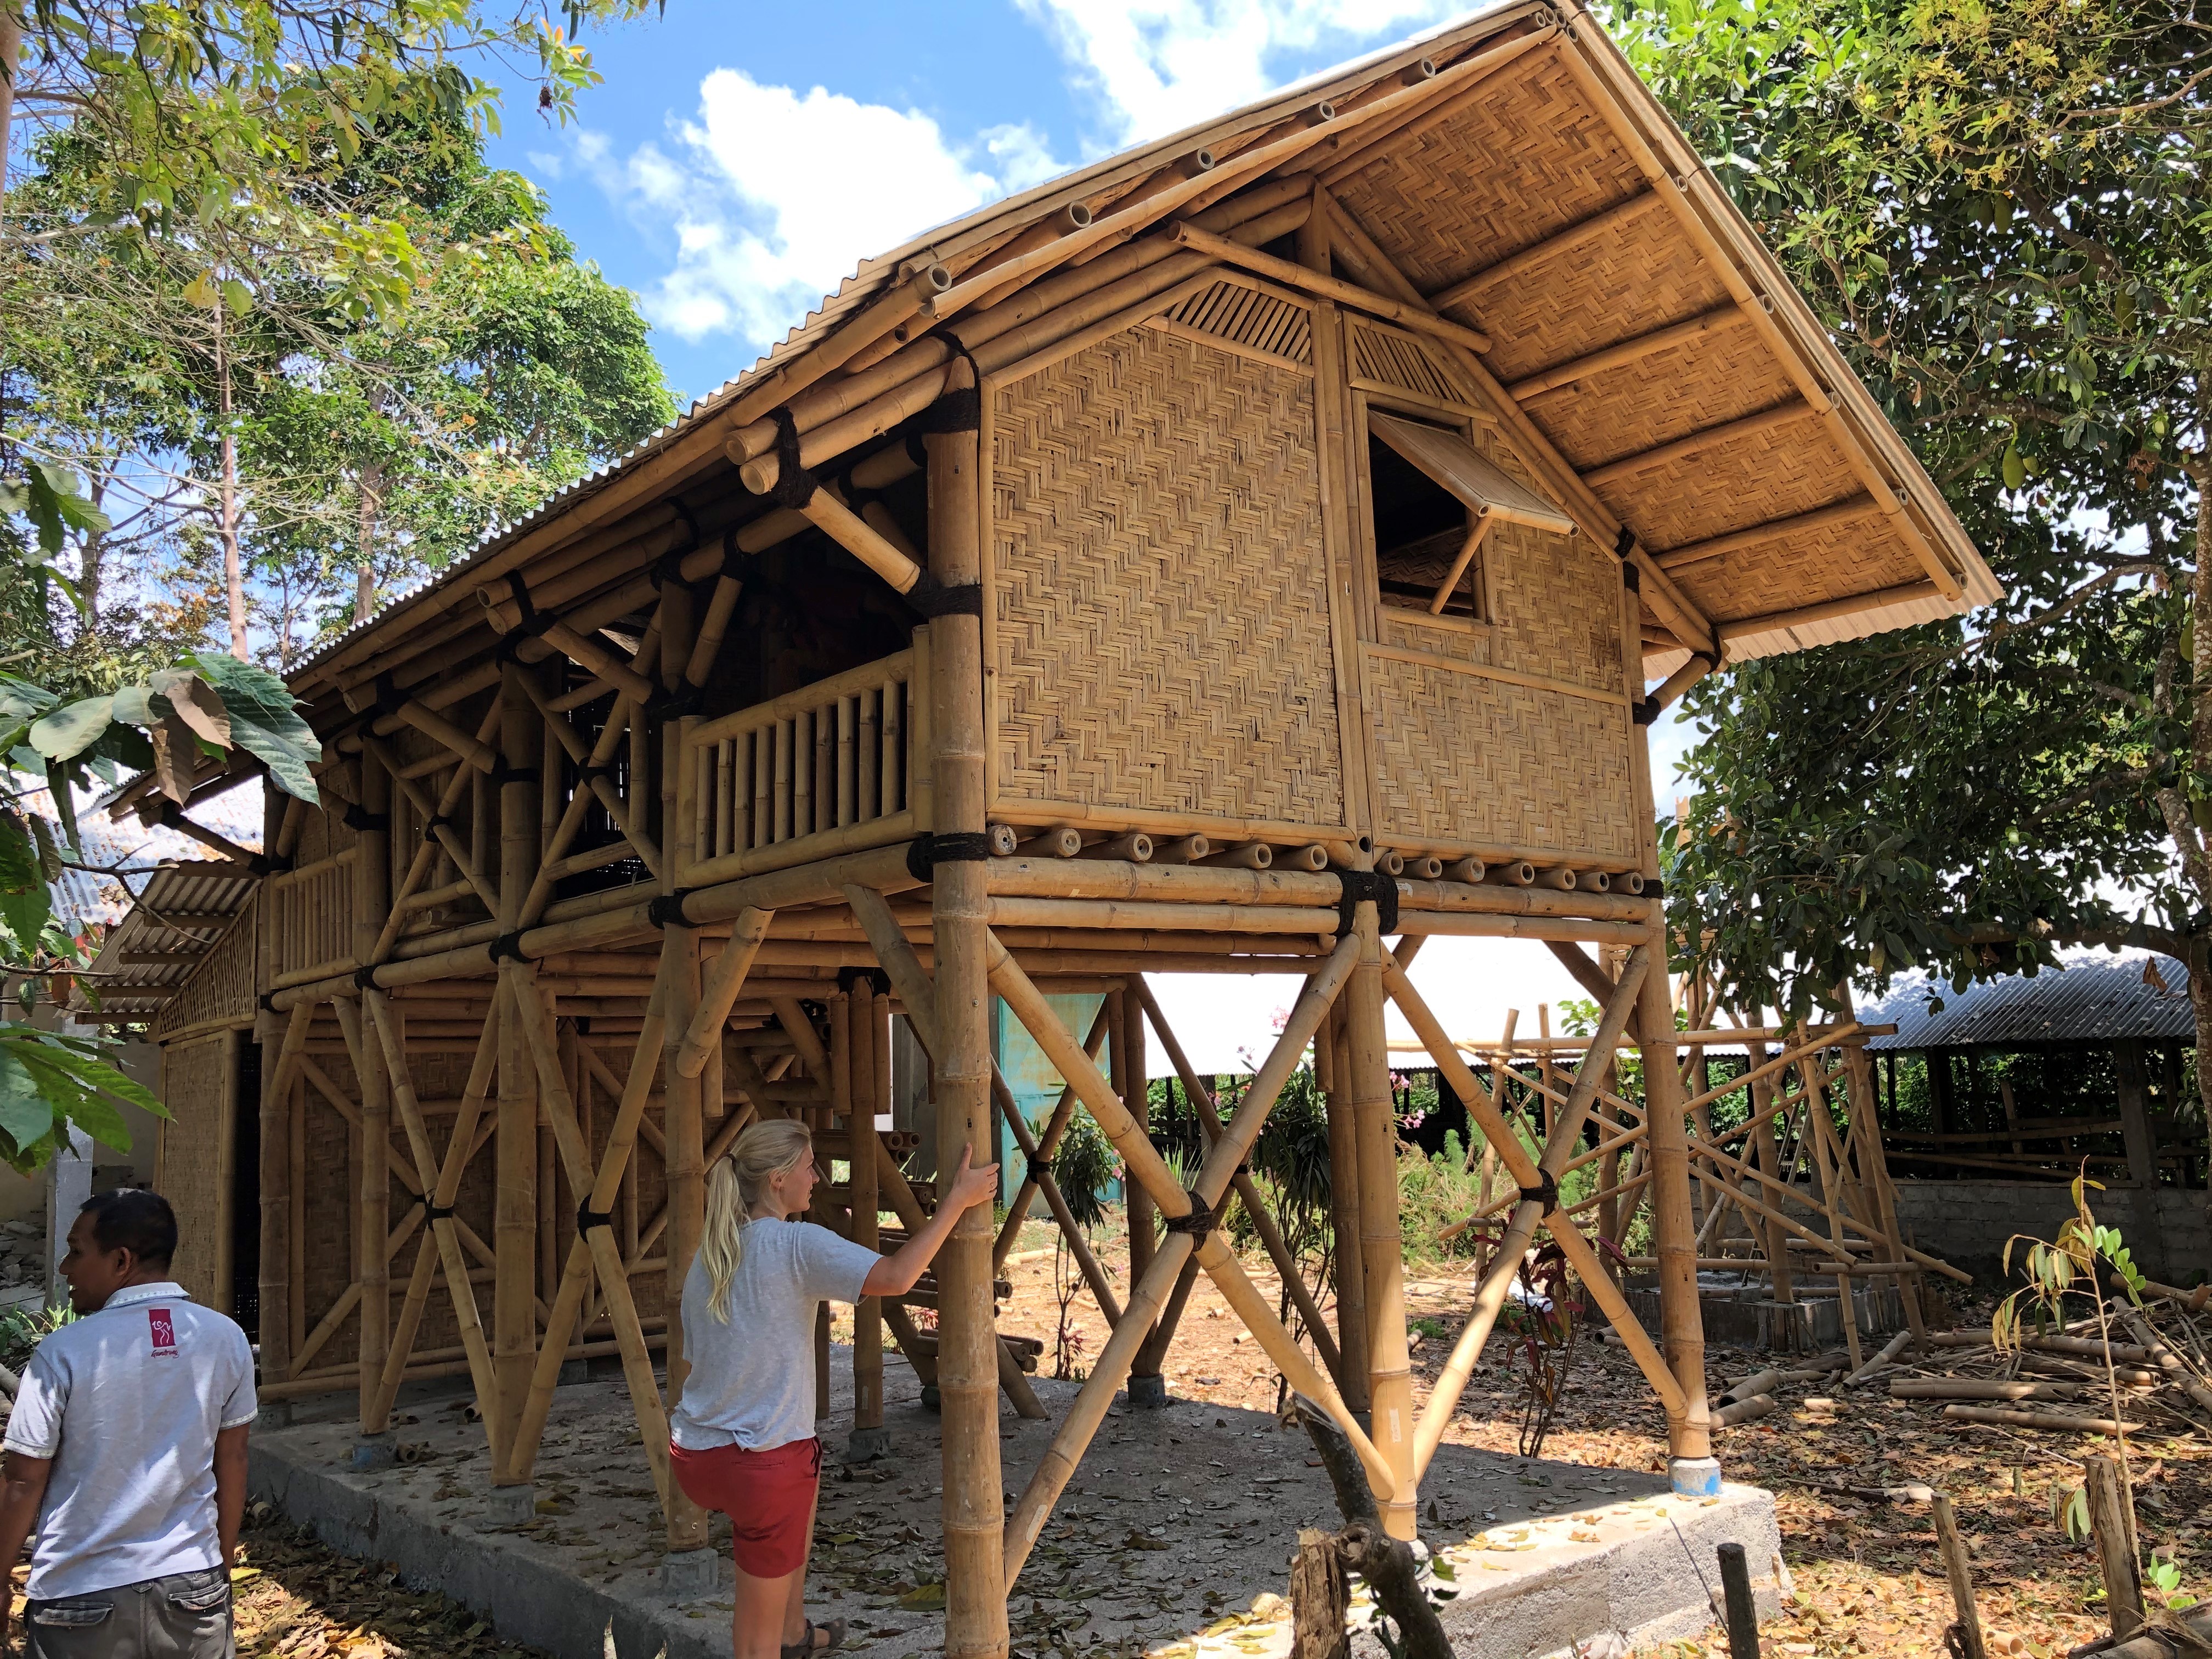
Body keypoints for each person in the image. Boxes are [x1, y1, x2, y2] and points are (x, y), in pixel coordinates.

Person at [670, 1118, 997, 1659]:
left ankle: (794, 1630)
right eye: (808, 1166)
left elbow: (704, 1359)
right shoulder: (795, 1245)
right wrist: (956, 1203)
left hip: (695, 1456)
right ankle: (776, 1638)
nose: (818, 1177)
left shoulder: (710, 1257)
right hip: (759, 1466)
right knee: (753, 1646)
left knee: (808, 1459)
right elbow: (895, 1278)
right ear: (778, 1180)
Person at [0, 1189, 256, 1659]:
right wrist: (215, 1566)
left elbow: (22, 1478)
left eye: (76, 1252)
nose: (64, 1269)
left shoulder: (64, 1352)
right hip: (192, 1592)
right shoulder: (225, 1338)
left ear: (121, 1261)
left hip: (80, 1600)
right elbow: (234, 1458)